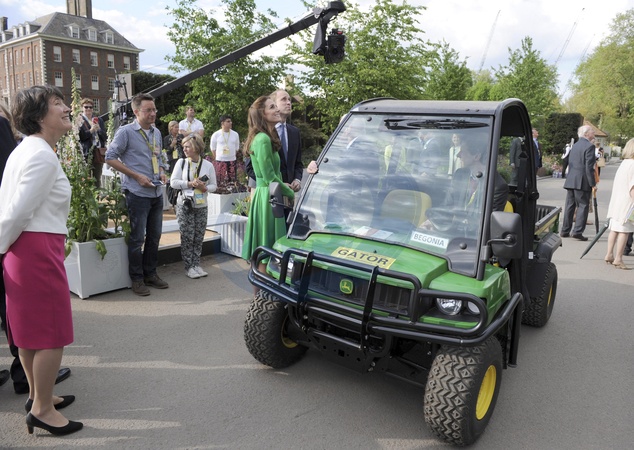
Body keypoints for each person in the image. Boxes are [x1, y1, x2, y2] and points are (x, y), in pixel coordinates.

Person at [0, 85, 82, 436]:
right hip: (34, 247)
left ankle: (38, 396)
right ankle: (43, 410)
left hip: (23, 248)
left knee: (30, 333)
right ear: (38, 116)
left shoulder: (25, 149)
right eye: (57, 103)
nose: (66, 108)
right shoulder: (41, 154)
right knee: (51, 332)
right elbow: (17, 212)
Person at [106, 93, 169, 297]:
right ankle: (137, 279)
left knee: (155, 236)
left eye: (154, 109)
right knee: (137, 238)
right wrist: (136, 176)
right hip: (137, 193)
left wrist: (161, 172)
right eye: (148, 110)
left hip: (156, 191)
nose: (153, 113)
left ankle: (150, 274)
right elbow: (110, 157)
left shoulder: (156, 132)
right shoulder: (125, 132)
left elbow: (158, 158)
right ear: (136, 112)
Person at [241, 96, 295, 276]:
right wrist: (290, 193)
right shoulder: (263, 139)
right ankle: (264, 291)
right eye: (272, 107)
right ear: (262, 114)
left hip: (268, 195)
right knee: (267, 252)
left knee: (266, 250)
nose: (277, 109)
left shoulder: (263, 137)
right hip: (268, 198)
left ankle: (262, 290)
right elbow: (269, 176)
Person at [170, 134, 217, 279]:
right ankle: (189, 266)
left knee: (199, 236)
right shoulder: (181, 163)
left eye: (187, 146)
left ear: (196, 148)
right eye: (183, 146)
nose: (184, 149)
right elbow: (173, 182)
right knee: (187, 236)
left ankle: (196, 264)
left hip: (201, 205)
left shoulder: (208, 165)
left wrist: (205, 188)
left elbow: (214, 185)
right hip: (185, 204)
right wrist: (190, 184)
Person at [560, 125, 597, 241]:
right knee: (583, 205)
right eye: (592, 131)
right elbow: (588, 167)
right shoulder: (589, 146)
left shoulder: (574, 146)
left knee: (570, 205)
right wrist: (593, 183)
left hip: (571, 179)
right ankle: (577, 231)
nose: (594, 133)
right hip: (582, 181)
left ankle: (565, 230)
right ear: (586, 134)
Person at [604, 138, 634, 269]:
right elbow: (632, 187)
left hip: (617, 200)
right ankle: (618, 258)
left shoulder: (624, 163)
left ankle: (609, 254)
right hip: (627, 201)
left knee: (614, 228)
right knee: (624, 230)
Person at [77, 98, 107, 188]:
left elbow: (105, 136)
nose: (88, 109)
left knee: (97, 177)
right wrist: (91, 130)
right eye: (86, 107)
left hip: (98, 152)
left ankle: (97, 195)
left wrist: (99, 130)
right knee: (86, 177)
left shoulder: (98, 120)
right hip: (86, 152)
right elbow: (80, 137)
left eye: (90, 107)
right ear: (82, 108)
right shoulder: (79, 120)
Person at [210, 114, 240, 182]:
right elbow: (213, 148)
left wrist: (231, 156)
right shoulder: (216, 134)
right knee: (220, 180)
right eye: (228, 121)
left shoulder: (235, 134)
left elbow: (237, 148)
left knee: (232, 180)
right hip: (220, 160)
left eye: (231, 121)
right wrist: (218, 157)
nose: (230, 123)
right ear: (222, 123)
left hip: (232, 160)